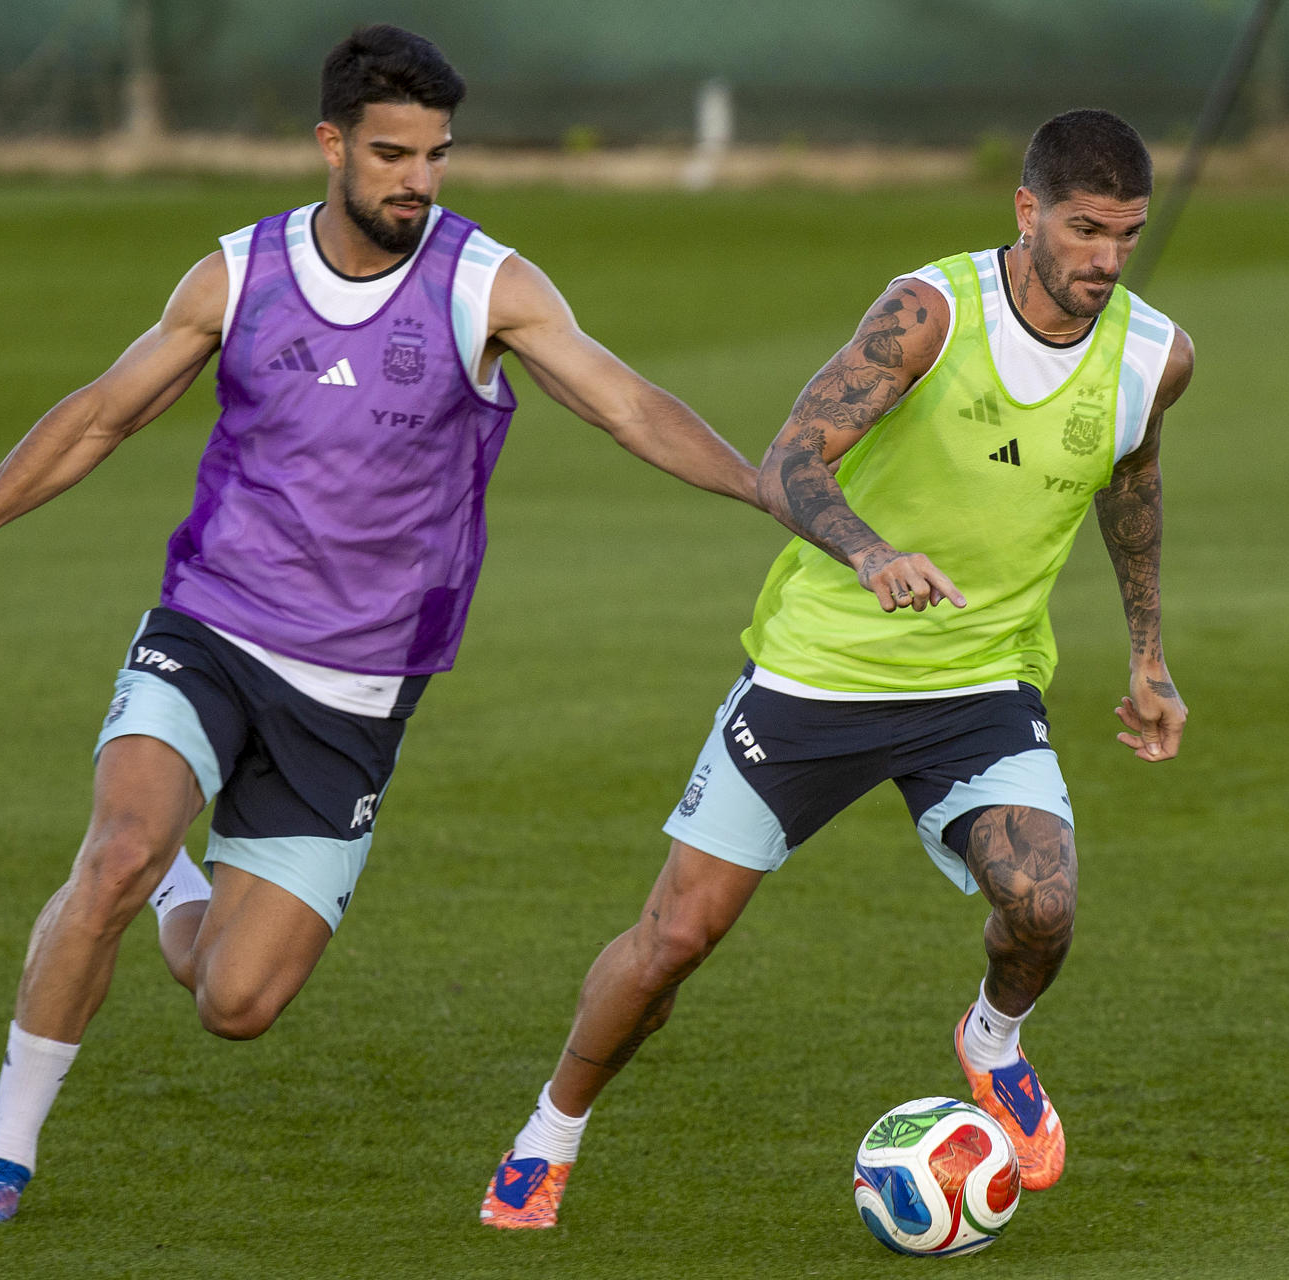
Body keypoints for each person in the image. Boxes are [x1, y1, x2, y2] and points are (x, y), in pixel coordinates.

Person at [0, 25, 758, 1226]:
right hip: (212, 629)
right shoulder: (236, 274)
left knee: (234, 999)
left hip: (358, 693)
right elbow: (99, 416)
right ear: (330, 144)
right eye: (393, 153)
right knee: (116, 851)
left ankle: (174, 870)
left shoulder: (487, 285)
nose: (418, 180)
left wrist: (774, 491)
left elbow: (629, 406)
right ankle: (3, 1151)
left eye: (437, 156)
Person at [481, 108, 1193, 1229]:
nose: (1106, 259)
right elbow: (788, 458)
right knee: (676, 937)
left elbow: (1132, 482)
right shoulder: (931, 311)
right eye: (1087, 229)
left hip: (979, 686)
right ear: (1027, 210)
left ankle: (992, 1039)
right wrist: (870, 553)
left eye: (1129, 234)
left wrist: (1149, 655)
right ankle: (548, 1131)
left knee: (1044, 901)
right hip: (821, 674)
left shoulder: (1156, 356)